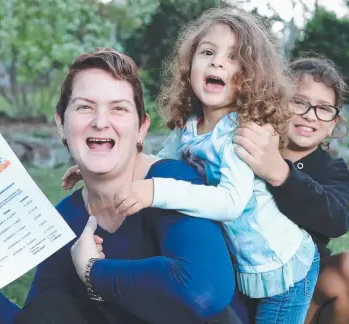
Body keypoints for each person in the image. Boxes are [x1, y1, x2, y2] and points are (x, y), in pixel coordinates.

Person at [0, 48, 244, 324]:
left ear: (142, 127)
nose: (100, 122)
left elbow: (203, 293)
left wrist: (93, 272)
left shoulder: (169, 183)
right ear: (61, 123)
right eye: (84, 107)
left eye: (118, 108)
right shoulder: (66, 219)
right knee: (51, 307)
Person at [63, 8, 318, 324]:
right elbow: (157, 161)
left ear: (252, 76)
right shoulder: (190, 127)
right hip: (245, 261)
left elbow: (230, 203)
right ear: (189, 65)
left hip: (280, 267)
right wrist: (97, 169)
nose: (217, 62)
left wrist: (156, 190)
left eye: (234, 57)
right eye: (207, 52)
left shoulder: (239, 134)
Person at [232, 57, 349, 324]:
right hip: (238, 280)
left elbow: (335, 219)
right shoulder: (247, 146)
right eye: (299, 102)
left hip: (299, 290)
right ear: (277, 103)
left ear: (333, 122)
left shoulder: (336, 172)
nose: (310, 114)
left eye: (324, 108)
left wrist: (280, 173)